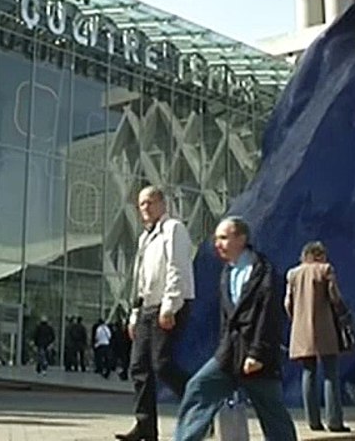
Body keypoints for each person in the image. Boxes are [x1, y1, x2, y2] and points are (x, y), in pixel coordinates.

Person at [172, 217, 297, 441]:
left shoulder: (264, 272)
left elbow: (269, 317)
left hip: (258, 357)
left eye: (223, 238)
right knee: (198, 387)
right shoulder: (227, 273)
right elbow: (227, 319)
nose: (217, 244)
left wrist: (257, 353)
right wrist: (223, 349)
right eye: (216, 239)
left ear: (241, 239)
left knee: (273, 414)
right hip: (229, 355)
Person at [118, 186, 196, 441]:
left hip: (169, 304)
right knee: (138, 367)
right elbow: (139, 280)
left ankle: (200, 406)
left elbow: (177, 268)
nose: (145, 208)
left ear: (163, 203)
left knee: (162, 364)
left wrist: (170, 305)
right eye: (141, 204)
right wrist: (134, 313)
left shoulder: (173, 229)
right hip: (147, 307)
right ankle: (145, 426)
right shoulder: (144, 238)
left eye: (150, 202)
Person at [284, 240, 350, 433]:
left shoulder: (293, 274)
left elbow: (287, 303)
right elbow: (334, 297)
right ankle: (334, 421)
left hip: (301, 330)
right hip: (325, 328)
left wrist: (297, 319)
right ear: (319, 255)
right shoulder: (325, 269)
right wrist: (343, 313)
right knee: (330, 374)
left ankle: (313, 421)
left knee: (308, 373)